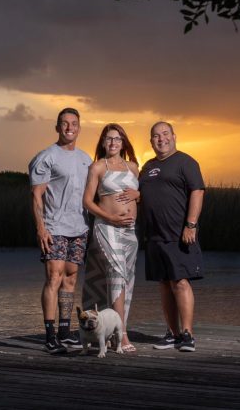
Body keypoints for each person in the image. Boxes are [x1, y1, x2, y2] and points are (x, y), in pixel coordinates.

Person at [28, 107, 92, 354]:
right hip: (54, 227)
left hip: (80, 227)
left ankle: (66, 332)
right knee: (54, 278)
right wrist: (41, 228)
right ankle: (50, 335)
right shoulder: (47, 157)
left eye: (74, 124)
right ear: (57, 127)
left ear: (79, 127)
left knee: (71, 279)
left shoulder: (86, 159)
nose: (69, 128)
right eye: (64, 124)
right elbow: (36, 196)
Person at [139, 121, 205, 352]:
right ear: (151, 141)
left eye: (165, 134)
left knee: (180, 282)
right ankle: (172, 332)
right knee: (164, 284)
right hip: (154, 236)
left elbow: (197, 191)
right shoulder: (147, 166)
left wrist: (191, 225)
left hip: (178, 234)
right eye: (156, 135)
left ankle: (187, 334)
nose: (161, 139)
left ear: (174, 136)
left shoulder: (186, 162)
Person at [82, 123, 139, 352]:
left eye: (117, 139)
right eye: (108, 139)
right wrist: (111, 218)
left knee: (126, 279)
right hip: (107, 227)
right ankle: (122, 336)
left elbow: (138, 197)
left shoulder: (133, 167)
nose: (113, 143)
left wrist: (139, 194)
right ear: (103, 143)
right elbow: (87, 201)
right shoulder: (97, 167)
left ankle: (107, 328)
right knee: (116, 274)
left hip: (130, 232)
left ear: (123, 142)